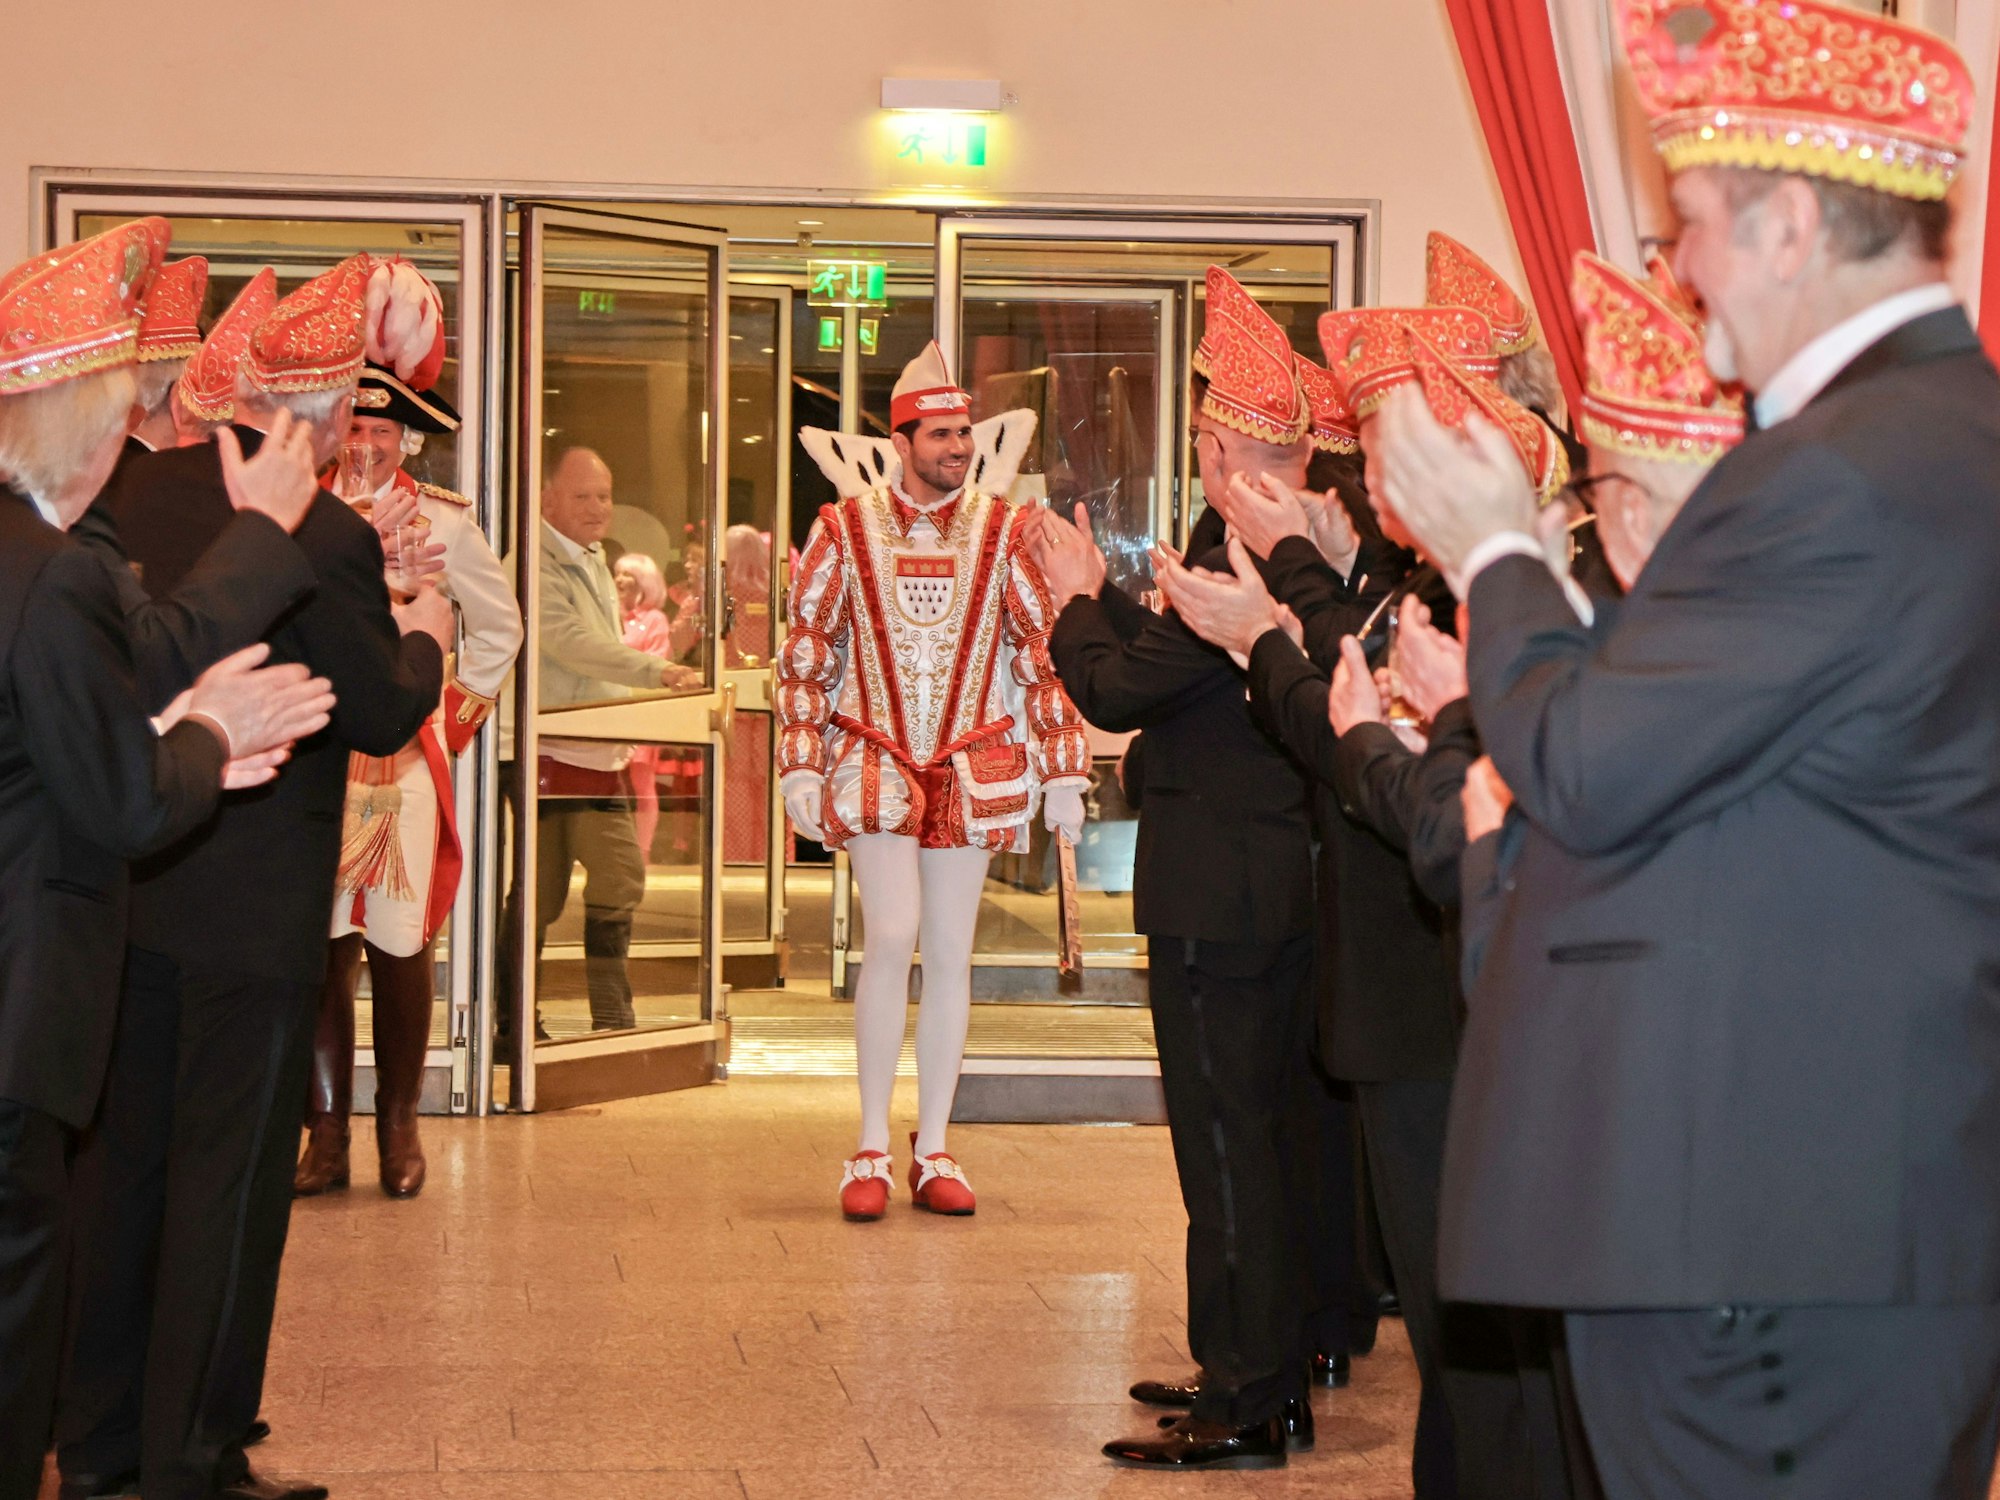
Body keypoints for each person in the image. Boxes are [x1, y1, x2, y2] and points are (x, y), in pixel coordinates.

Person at [1369, 2, 2000, 1492]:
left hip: (1772, 1232)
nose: (1682, 266)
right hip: (1836, 1213)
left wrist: (1501, 554)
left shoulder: (1838, 477)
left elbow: (1588, 762)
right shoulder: (1934, 439)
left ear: (1788, 225)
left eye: (1698, 223)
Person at [1155, 307, 1571, 1498]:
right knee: (1454, 1353)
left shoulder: (1495, 586)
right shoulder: (1415, 573)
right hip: (1404, 974)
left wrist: (1273, 634)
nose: (1368, 461)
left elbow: (1375, 761)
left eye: (1393, 437)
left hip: (1433, 980)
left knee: (1476, 1344)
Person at [56, 252, 451, 1500]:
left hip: (134, 887)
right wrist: (426, 630)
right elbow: (382, 712)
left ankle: (105, 1439)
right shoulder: (324, 536)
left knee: (124, 1174)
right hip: (253, 915)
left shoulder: (124, 497)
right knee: (226, 1189)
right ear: (325, 417)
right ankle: (196, 1453)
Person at [0, 218, 333, 1500]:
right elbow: (121, 798)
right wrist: (202, 738)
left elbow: (92, 703)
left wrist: (184, 736)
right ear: (88, 427)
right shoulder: (47, 571)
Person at [1028, 270, 1325, 1470]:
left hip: (1225, 887)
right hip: (1252, 876)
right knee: (1250, 1135)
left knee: (1226, 1139)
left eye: (1202, 427)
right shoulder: (1264, 537)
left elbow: (1115, 689)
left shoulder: (1234, 549)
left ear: (1220, 438)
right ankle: (1256, 1362)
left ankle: (1249, 1393)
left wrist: (1072, 596)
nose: (1198, 444)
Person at [781, 340, 1089, 1221]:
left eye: (965, 434)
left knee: (952, 951)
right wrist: (802, 760)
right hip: (875, 752)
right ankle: (871, 1143)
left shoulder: (1003, 531)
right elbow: (808, 652)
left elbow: (1039, 655)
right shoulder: (841, 528)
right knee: (895, 934)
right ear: (902, 437)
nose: (960, 448)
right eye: (943, 434)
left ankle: (936, 1143)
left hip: (971, 758)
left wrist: (1063, 767)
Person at [295, 345, 524, 1200]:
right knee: (320, 941)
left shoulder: (446, 525)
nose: (365, 443)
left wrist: (449, 723)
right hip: (319, 755)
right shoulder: (302, 512)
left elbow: (498, 630)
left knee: (398, 938)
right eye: (353, 424)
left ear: (409, 440)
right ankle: (325, 1133)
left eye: (381, 427)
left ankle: (398, 1124)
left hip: (401, 762)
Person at [501, 447, 691, 1040]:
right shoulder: (532, 563)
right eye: (582, 495)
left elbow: (593, 655)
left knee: (618, 877)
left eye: (604, 495)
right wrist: (653, 671)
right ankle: (514, 1025)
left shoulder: (589, 559)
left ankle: (610, 1020)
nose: (598, 507)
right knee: (540, 896)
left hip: (592, 749)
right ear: (548, 497)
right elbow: (569, 642)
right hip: (547, 752)